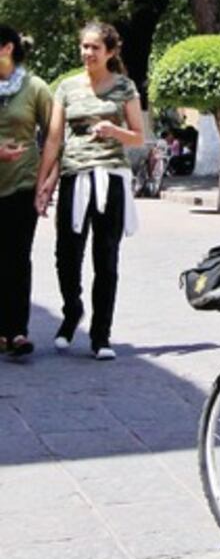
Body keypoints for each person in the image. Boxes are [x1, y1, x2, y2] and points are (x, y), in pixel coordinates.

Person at [35, 22, 145, 361]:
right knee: (66, 254)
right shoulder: (67, 87)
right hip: (74, 175)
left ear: (110, 52)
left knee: (106, 257)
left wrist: (114, 130)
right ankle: (72, 311)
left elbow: (139, 136)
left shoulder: (124, 87)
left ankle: (101, 335)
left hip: (110, 177)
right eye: (84, 46)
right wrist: (43, 181)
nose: (88, 53)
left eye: (95, 47)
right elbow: (54, 138)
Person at [0, 25, 53, 357]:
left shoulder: (35, 88)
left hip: (23, 182)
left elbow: (54, 136)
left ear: (7, 48)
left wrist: (47, 180)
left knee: (18, 257)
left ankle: (17, 330)